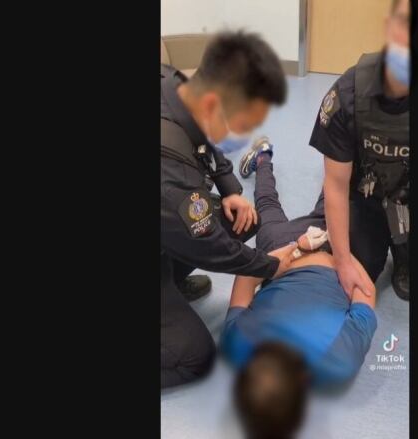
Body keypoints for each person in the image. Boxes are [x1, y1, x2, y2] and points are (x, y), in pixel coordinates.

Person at [160, 31, 298, 388]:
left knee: (239, 218)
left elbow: (204, 139)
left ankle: (170, 279)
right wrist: (271, 265)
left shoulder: (172, 84)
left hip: (165, 215)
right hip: (168, 207)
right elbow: (207, 244)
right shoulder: (173, 175)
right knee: (194, 357)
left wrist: (230, 187)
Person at [224, 138, 378, 438]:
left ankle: (264, 157)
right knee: (327, 199)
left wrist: (300, 248)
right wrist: (332, 252)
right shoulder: (237, 346)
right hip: (306, 249)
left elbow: (365, 293)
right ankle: (267, 158)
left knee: (289, 205)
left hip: (294, 250)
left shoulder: (338, 362)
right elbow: (367, 292)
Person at [305, 0, 412, 300]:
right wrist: (342, 260)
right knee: (353, 272)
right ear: (390, 28)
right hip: (365, 191)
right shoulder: (348, 93)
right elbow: (337, 186)